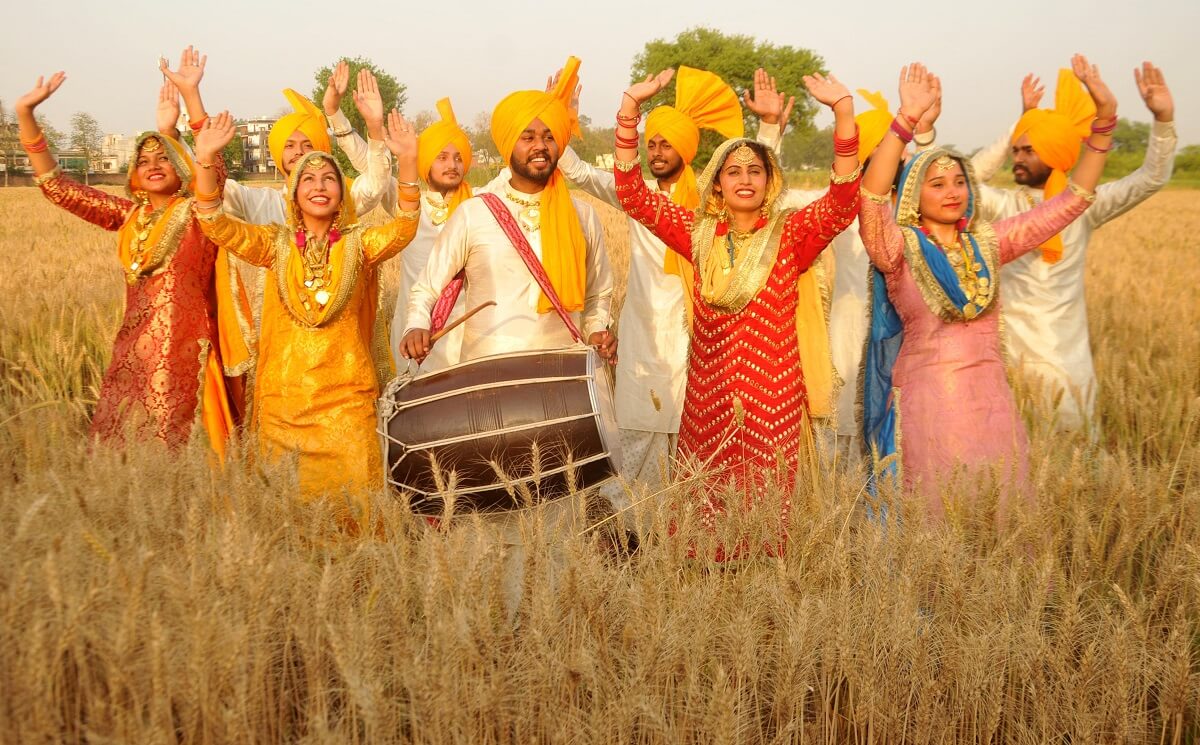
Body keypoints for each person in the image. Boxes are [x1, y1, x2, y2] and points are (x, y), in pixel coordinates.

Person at [399, 57, 617, 614]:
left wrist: (599, 332)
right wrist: (418, 324)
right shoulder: (475, 214)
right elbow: (426, 287)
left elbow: (599, 297)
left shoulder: (583, 216)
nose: (540, 145)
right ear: (507, 147)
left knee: (559, 515)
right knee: (494, 515)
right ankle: (493, 628)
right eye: (528, 135)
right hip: (487, 387)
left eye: (549, 134)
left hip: (560, 387)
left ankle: (551, 629)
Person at [857, 59, 1115, 522]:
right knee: (936, 520)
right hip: (927, 402)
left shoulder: (989, 245)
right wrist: (905, 122)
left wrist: (1105, 119)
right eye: (937, 183)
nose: (953, 190)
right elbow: (873, 200)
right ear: (914, 194)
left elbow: (1072, 199)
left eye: (960, 181)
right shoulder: (897, 248)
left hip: (992, 403)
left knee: (1001, 517)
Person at [612, 66, 861, 538]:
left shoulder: (791, 235)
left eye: (755, 171)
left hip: (775, 401)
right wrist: (630, 110)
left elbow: (844, 201)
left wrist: (844, 111)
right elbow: (632, 193)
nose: (745, 179)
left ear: (770, 181)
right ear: (718, 184)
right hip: (709, 401)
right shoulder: (696, 233)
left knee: (770, 516)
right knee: (705, 518)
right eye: (733, 171)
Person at [192, 109, 421, 525]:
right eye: (309, 180)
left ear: (342, 193)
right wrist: (205, 158)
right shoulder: (273, 244)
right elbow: (213, 223)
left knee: (357, 514)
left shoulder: (359, 244)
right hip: (284, 406)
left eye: (329, 179)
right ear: (294, 192)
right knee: (287, 515)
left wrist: (407, 161)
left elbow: (405, 226)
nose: (319, 186)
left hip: (348, 403)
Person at [550, 65, 753, 511]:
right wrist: (563, 120)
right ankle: (626, 525)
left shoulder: (711, 201)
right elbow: (579, 173)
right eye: (652, 143)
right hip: (643, 333)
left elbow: (757, 189)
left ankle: (685, 525)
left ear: (686, 149)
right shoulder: (635, 192)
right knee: (638, 430)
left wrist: (771, 127)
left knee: (693, 433)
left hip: (695, 336)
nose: (657, 152)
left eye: (666, 144)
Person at [15, 71, 244, 456]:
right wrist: (25, 113)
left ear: (182, 167)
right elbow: (57, 187)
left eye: (163, 159)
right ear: (133, 174)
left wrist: (192, 98)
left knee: (188, 452)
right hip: (134, 351)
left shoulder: (198, 213)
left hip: (189, 353)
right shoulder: (127, 216)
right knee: (130, 452)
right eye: (143, 160)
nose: (153, 165)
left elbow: (212, 172)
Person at [967, 63, 1177, 431]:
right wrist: (1023, 119)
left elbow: (1150, 178)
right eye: (1016, 150)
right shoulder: (1002, 205)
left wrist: (1163, 120)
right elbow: (964, 180)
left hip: (1066, 358)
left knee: (1072, 448)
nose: (1018, 158)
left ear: (1056, 151)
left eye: (1028, 150)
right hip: (1006, 354)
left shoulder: (1081, 206)